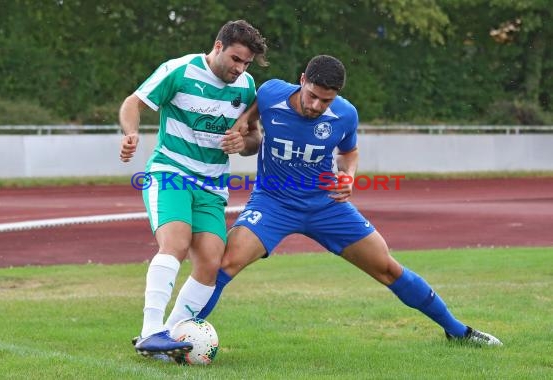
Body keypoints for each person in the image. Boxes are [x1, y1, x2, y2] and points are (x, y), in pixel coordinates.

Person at [196, 55, 503, 346]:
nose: (316, 105)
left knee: (388, 268)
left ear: (337, 95)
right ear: (302, 80)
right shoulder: (270, 92)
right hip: (272, 203)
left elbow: (349, 152)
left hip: (326, 204)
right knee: (224, 264)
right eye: (312, 95)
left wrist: (349, 176)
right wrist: (241, 130)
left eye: (326, 100)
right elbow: (250, 120)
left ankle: (458, 332)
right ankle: (174, 335)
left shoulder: (345, 114)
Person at [118, 19, 268, 360]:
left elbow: (254, 139)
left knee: (210, 263)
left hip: (213, 186)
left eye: (245, 63)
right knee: (175, 243)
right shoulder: (179, 70)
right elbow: (133, 103)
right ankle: (150, 330)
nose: (240, 68)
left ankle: (164, 340)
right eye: (235, 59)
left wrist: (242, 140)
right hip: (170, 173)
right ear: (218, 47)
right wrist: (131, 133)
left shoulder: (246, 87)